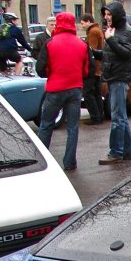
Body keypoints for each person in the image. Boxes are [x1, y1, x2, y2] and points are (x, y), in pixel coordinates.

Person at [35, 12, 89, 172]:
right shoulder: (81, 44)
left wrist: (52, 73)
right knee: (72, 127)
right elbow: (87, 70)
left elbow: (40, 69)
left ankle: (41, 161)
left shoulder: (50, 43)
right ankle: (70, 162)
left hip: (55, 89)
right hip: (74, 89)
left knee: (46, 125)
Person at [99, 1, 131, 165]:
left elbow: (127, 53)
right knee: (120, 116)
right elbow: (111, 54)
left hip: (119, 78)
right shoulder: (114, 30)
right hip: (115, 76)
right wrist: (95, 53)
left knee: (118, 117)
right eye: (105, 14)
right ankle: (128, 151)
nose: (106, 18)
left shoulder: (125, 31)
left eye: (109, 14)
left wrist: (111, 39)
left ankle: (116, 152)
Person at [80, 14, 104, 125]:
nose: (81, 25)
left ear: (88, 21)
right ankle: (99, 115)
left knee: (88, 93)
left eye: (82, 22)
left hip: (93, 67)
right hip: (98, 67)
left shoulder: (93, 32)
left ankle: (95, 117)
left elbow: (91, 50)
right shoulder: (96, 30)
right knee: (97, 93)